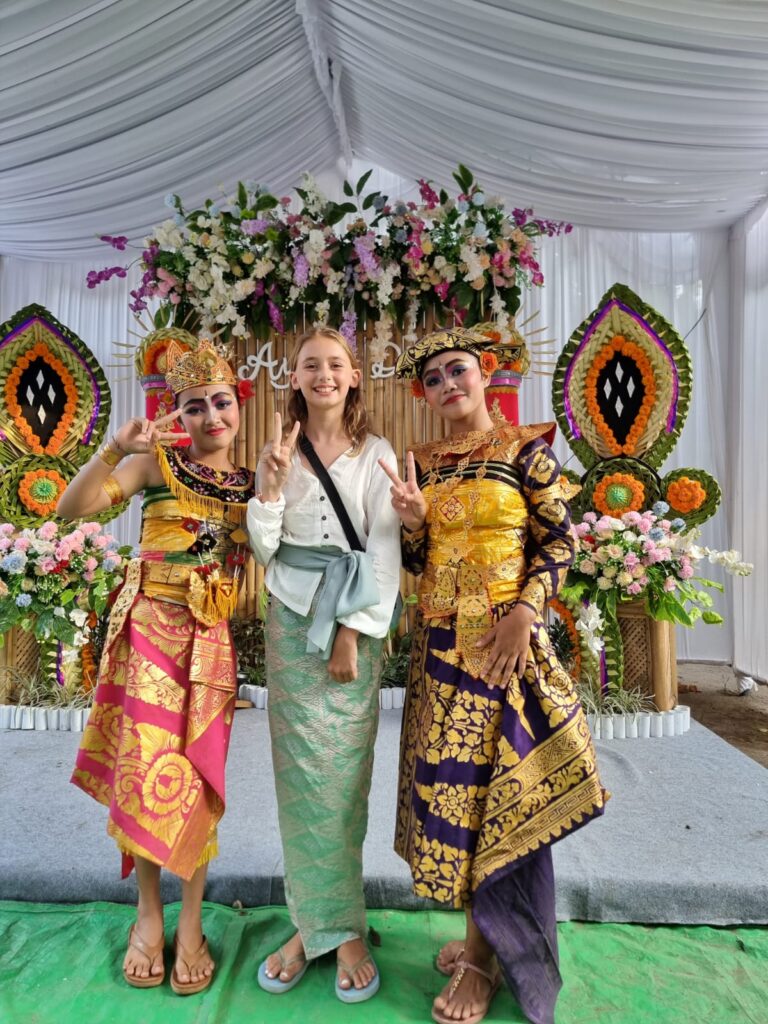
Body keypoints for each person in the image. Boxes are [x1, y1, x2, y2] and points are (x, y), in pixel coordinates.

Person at [379, 326, 607, 1024]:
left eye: (460, 371)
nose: (450, 385)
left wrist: (525, 614)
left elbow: (561, 538)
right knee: (454, 795)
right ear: (426, 394)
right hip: (441, 654)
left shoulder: (526, 452)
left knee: (499, 796)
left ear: (485, 375)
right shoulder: (420, 462)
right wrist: (414, 523)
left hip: (506, 651)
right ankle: (487, 933)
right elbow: (416, 562)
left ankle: (484, 960)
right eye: (437, 378)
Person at [59, 339, 255, 996]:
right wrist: (117, 447)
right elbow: (70, 509)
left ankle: (192, 919)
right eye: (194, 406)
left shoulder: (254, 486)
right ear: (179, 415)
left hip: (210, 641)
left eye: (220, 401)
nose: (210, 416)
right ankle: (149, 913)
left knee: (196, 779)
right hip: (146, 634)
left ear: (238, 407)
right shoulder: (153, 466)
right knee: (144, 774)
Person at [247, 326, 401, 1003]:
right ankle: (319, 927)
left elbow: (384, 556)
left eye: (335, 364)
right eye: (311, 364)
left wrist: (350, 635)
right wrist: (270, 488)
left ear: (355, 375)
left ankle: (338, 928)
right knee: (298, 784)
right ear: (295, 375)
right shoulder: (280, 449)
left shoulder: (377, 454)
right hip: (288, 619)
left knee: (339, 780)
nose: (324, 374)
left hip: (350, 629)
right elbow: (265, 550)